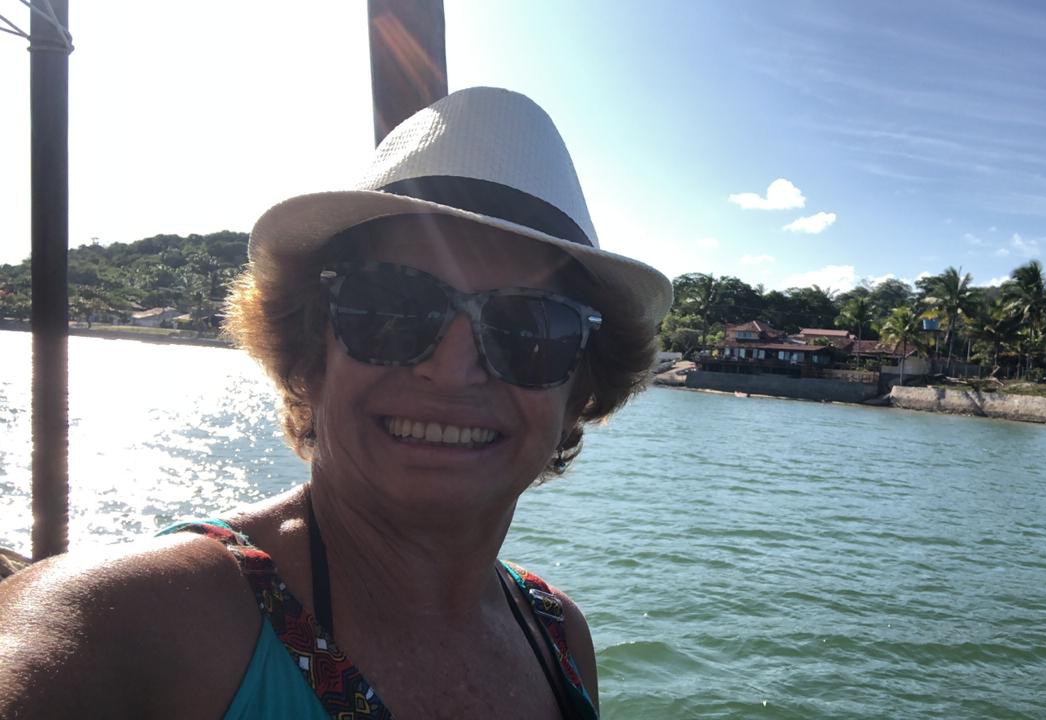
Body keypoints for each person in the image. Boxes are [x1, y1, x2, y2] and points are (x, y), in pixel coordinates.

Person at [0, 86, 672, 719]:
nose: (450, 370)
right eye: (391, 309)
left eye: (530, 329)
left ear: (579, 391)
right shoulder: (130, 624)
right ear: (311, 353)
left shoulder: (558, 634)